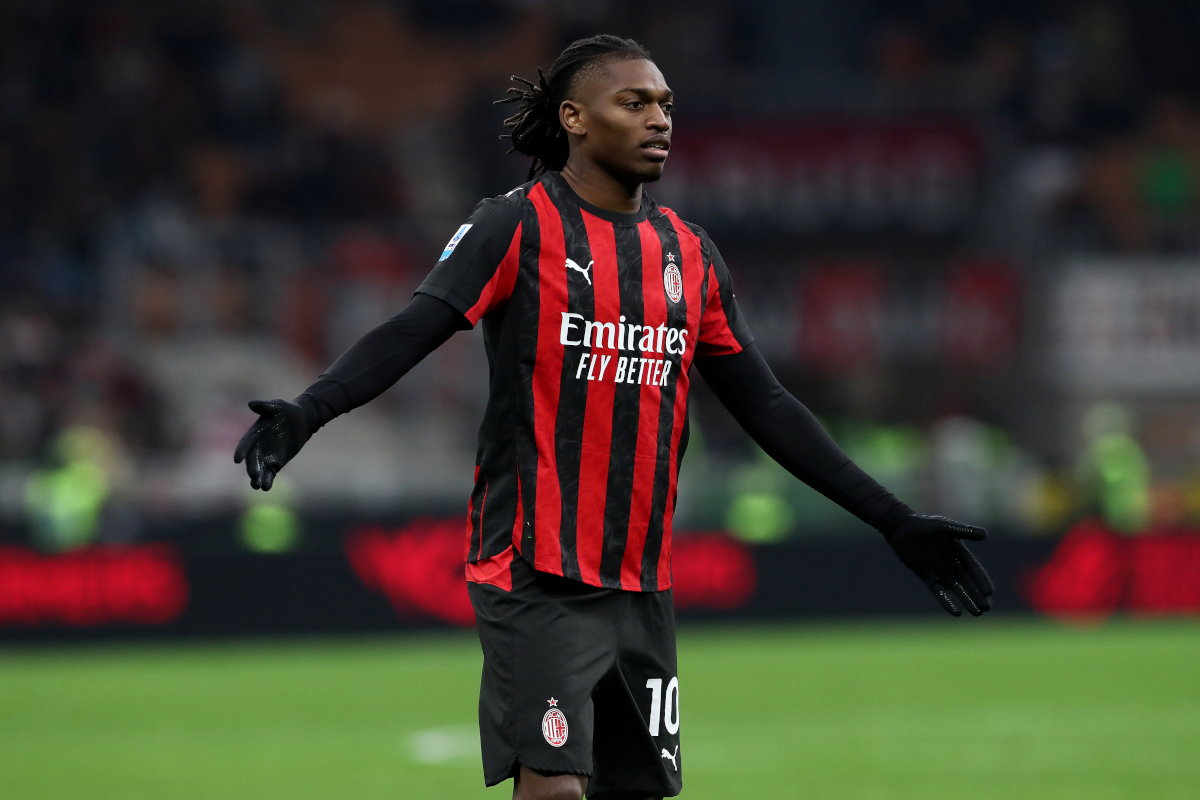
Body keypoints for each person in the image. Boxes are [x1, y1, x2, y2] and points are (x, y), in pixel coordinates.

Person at [234, 34, 993, 800]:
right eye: (633, 103)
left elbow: (766, 404)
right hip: (534, 566)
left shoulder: (689, 254)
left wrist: (892, 518)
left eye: (664, 104)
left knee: (633, 794)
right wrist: (309, 410)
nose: (658, 119)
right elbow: (413, 329)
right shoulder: (515, 226)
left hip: (640, 582)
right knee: (557, 789)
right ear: (574, 118)